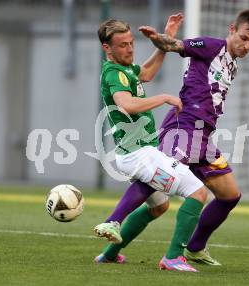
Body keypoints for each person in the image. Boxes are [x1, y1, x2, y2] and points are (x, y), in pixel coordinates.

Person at [138, 9, 249, 265]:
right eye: (244, 38)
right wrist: (158, 38)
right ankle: (114, 223)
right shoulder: (210, 46)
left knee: (230, 195)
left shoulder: (232, 63)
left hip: (204, 137)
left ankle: (195, 248)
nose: (247, 45)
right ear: (232, 29)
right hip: (184, 128)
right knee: (156, 186)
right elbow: (174, 45)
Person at [93, 14, 208, 272]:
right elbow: (127, 104)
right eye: (122, 45)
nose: (130, 48)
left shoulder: (126, 70)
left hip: (137, 152)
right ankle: (173, 257)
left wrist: (163, 42)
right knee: (198, 192)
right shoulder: (113, 73)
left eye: (131, 42)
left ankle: (109, 252)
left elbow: (145, 73)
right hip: (139, 154)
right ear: (107, 48)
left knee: (159, 206)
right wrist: (165, 97)